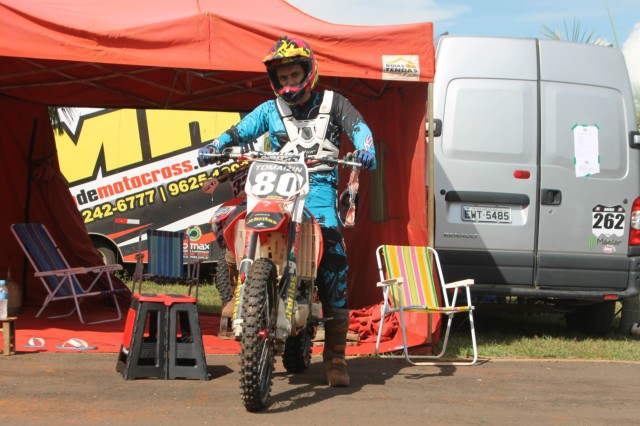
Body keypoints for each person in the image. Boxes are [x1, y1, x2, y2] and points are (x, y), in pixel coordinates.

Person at [197, 35, 376, 387]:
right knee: (229, 220)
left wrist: (366, 148)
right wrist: (216, 144)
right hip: (274, 182)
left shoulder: (335, 103)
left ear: (308, 72)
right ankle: (237, 289)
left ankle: (336, 357)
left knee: (334, 253)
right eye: (284, 77)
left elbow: (361, 129)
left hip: (319, 187)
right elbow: (239, 130)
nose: (289, 82)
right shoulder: (269, 109)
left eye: (295, 75)